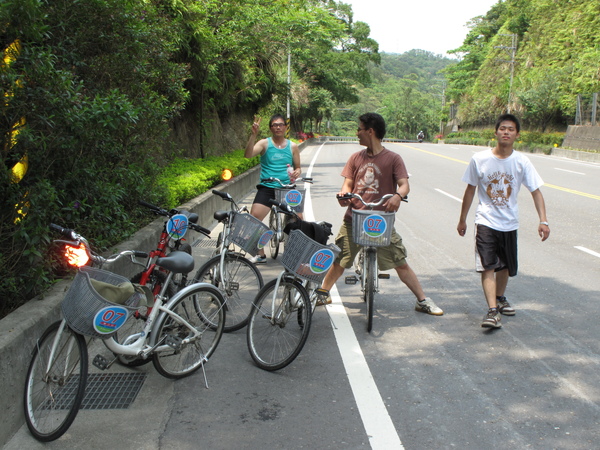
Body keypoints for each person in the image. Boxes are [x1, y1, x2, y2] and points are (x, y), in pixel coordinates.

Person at [318, 112, 443, 316]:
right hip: (355, 218)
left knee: (400, 262)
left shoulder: (393, 158)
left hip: (381, 221)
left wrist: (397, 196)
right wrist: (344, 195)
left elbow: (404, 185)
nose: (357, 133)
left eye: (360, 129)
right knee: (340, 258)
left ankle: (422, 300)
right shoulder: (356, 158)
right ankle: (323, 292)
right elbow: (347, 184)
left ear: (370, 131)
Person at [457, 113, 550, 329]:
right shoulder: (479, 159)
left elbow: (536, 192)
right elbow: (470, 191)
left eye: (510, 129)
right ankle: (491, 311)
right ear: (496, 132)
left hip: (510, 222)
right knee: (487, 265)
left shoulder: (521, 161)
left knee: (505, 266)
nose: (506, 132)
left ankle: (499, 298)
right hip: (486, 220)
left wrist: (543, 220)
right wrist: (463, 219)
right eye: (502, 128)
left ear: (517, 134)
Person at [245, 114, 301, 264]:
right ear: (270, 128)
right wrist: (253, 135)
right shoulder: (264, 143)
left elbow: (298, 167)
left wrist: (297, 172)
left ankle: (295, 253)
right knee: (254, 218)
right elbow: (248, 154)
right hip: (267, 187)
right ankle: (260, 254)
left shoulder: (293, 146)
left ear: (285, 127)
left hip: (287, 187)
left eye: (281, 124)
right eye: (275, 125)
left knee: (299, 218)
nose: (278, 127)